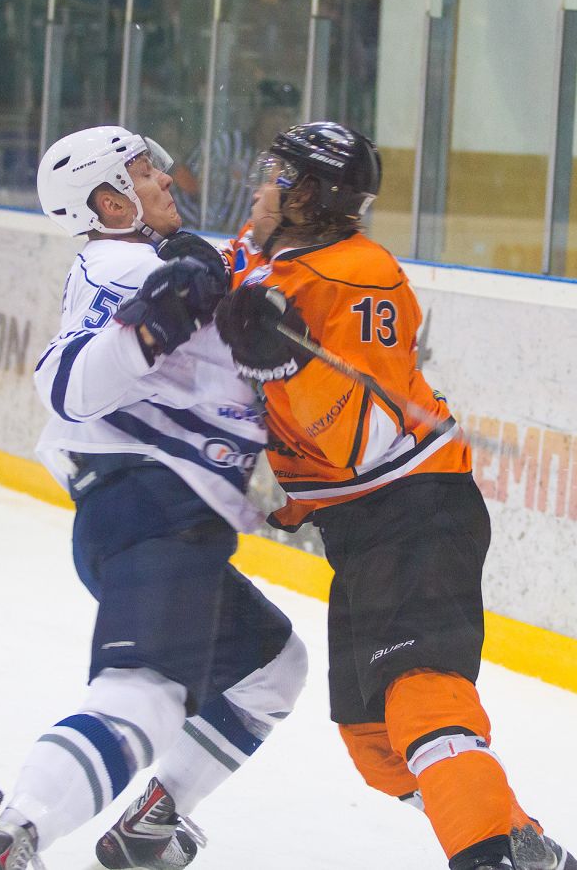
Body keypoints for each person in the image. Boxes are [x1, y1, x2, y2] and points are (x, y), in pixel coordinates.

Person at [212, 122, 576, 870]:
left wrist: (288, 367)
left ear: (306, 196)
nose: (260, 187)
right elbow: (230, 273)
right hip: (363, 529)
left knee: (421, 695)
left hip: (416, 510)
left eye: (275, 175)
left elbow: (365, 438)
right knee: (374, 741)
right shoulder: (281, 261)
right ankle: (523, 845)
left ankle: (490, 855)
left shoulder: (358, 278)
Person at [0, 125, 307, 870]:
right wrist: (153, 325)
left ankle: (153, 818)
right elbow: (68, 382)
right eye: (143, 173)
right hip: (152, 506)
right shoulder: (122, 263)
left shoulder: (152, 260)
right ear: (111, 203)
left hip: (165, 516)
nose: (165, 180)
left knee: (273, 666)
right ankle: (11, 831)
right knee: (144, 696)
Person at [172, 78, 301, 233]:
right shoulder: (223, 147)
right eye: (273, 114)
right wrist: (199, 232)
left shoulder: (288, 165)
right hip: (206, 239)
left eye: (286, 116)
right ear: (258, 113)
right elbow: (181, 184)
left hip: (251, 245)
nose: (279, 122)